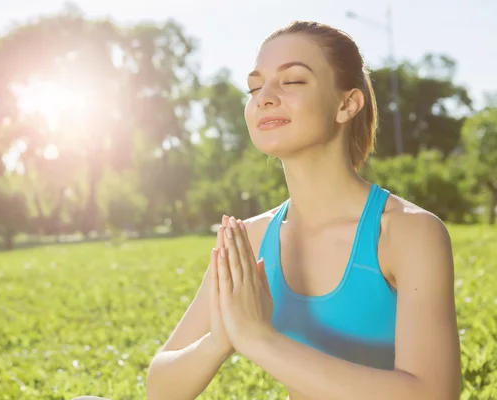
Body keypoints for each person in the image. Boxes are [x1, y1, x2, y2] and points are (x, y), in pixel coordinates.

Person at [145, 20, 461, 400]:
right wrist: (219, 340)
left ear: (347, 104)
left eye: (292, 81)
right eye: (254, 86)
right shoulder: (251, 238)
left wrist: (257, 338)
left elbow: (434, 394)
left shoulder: (408, 233)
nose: (264, 96)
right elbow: (160, 389)